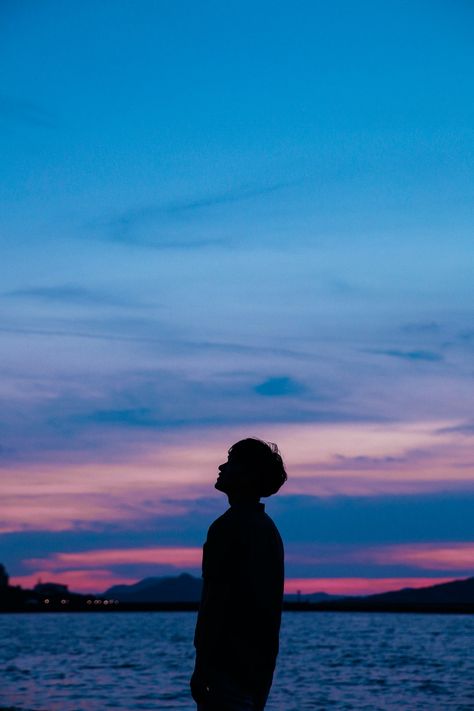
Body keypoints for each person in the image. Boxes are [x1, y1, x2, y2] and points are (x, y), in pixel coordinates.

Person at [191, 437, 287, 711]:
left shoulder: (228, 528)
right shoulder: (267, 530)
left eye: (231, 463)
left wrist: (203, 667)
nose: (222, 467)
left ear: (248, 475)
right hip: (256, 669)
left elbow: (216, 601)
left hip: (227, 669)